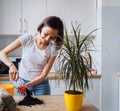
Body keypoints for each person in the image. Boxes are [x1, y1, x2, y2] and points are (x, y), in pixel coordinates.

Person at [0, 16, 64, 96]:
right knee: (22, 107)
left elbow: (44, 74)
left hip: (41, 84)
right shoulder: (28, 38)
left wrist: (27, 85)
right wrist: (11, 65)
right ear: (41, 27)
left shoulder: (54, 47)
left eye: (52, 37)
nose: (47, 39)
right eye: (46, 34)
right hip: (22, 81)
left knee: (44, 108)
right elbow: (2, 53)